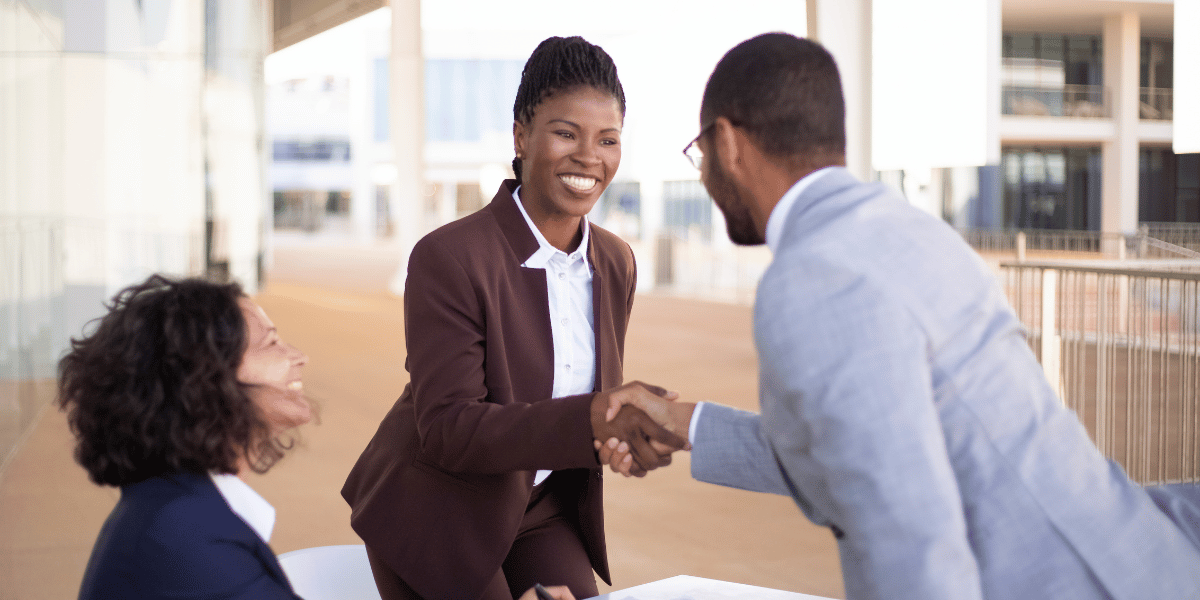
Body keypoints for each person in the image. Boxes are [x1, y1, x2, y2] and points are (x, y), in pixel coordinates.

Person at [598, 33, 1200, 599]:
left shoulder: (814, 277)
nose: (702, 172)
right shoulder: (905, 231)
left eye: (700, 152)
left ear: (727, 143)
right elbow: (851, 448)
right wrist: (684, 424)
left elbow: (908, 536)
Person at [340, 36, 686, 600]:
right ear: (521, 137)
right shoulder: (449, 257)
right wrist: (593, 422)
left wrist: (619, 436)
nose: (589, 157)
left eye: (608, 140)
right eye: (566, 133)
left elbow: (578, 405)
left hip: (539, 508)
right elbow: (450, 430)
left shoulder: (616, 262)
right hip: (437, 507)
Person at [60, 275, 312, 599]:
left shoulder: (172, 508)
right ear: (206, 382)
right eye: (271, 344)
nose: (299, 357)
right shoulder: (188, 539)